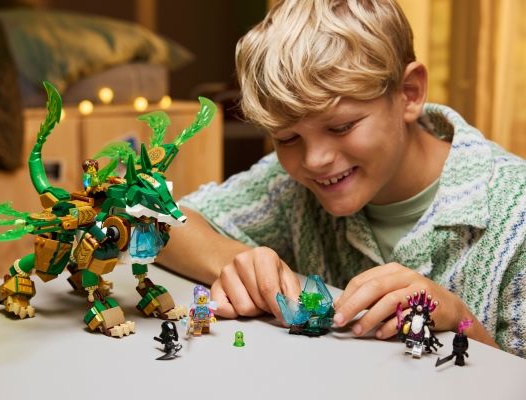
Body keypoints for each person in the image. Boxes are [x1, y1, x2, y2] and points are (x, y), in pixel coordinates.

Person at [156, 0, 526, 357]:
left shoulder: (516, 213)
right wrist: (240, 262)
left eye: (341, 127)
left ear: (409, 93)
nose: (314, 160)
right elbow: (159, 220)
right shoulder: (289, 185)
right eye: (287, 138)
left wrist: (461, 322)